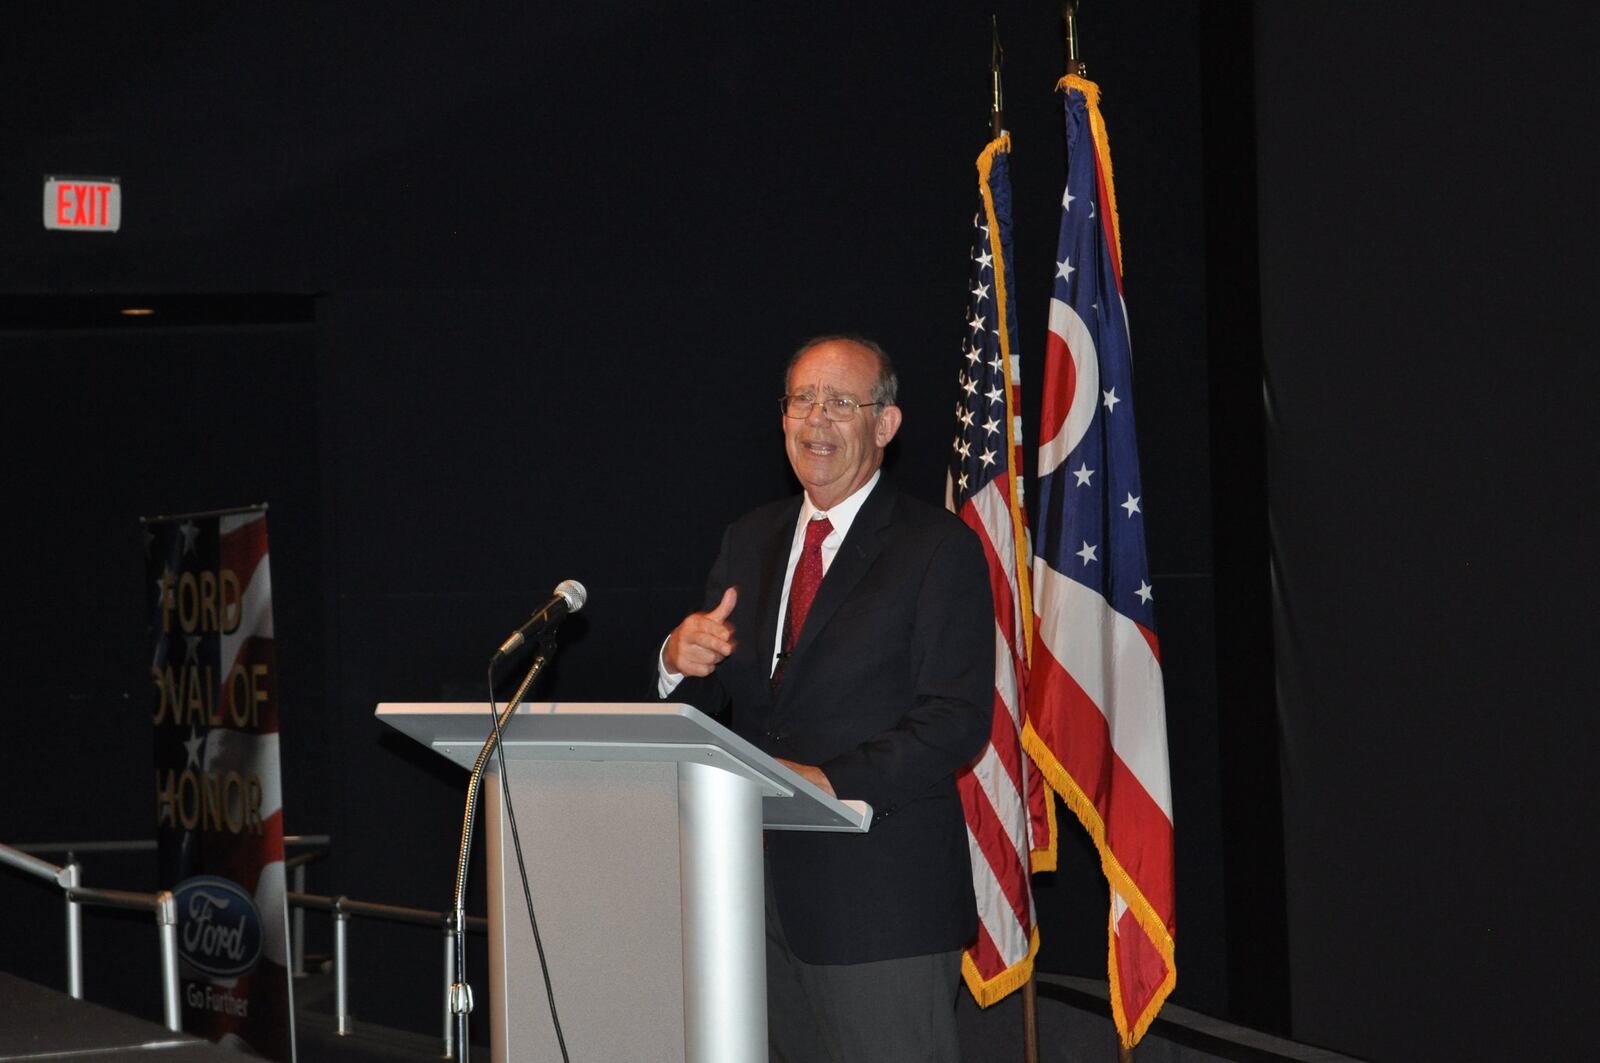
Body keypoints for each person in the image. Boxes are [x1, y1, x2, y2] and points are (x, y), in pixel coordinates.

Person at [659, 335, 994, 1063]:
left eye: (841, 402)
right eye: (802, 400)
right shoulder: (749, 539)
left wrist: (828, 782)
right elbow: (714, 697)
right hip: (752, 901)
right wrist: (675, 659)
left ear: (886, 424)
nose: (816, 418)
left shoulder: (938, 547)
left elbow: (955, 718)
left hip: (882, 910)